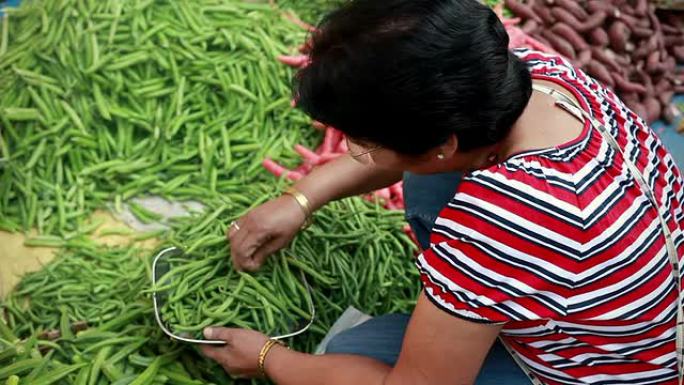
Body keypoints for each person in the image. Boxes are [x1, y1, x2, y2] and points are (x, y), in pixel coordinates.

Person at [200, 0, 684, 384]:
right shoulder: (526, 77)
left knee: (349, 355)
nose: (354, 149)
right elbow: (417, 154)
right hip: (636, 301)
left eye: (364, 141)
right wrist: (299, 200)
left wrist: (267, 358)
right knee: (428, 182)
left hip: (618, 371)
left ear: (442, 144)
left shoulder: (499, 223)